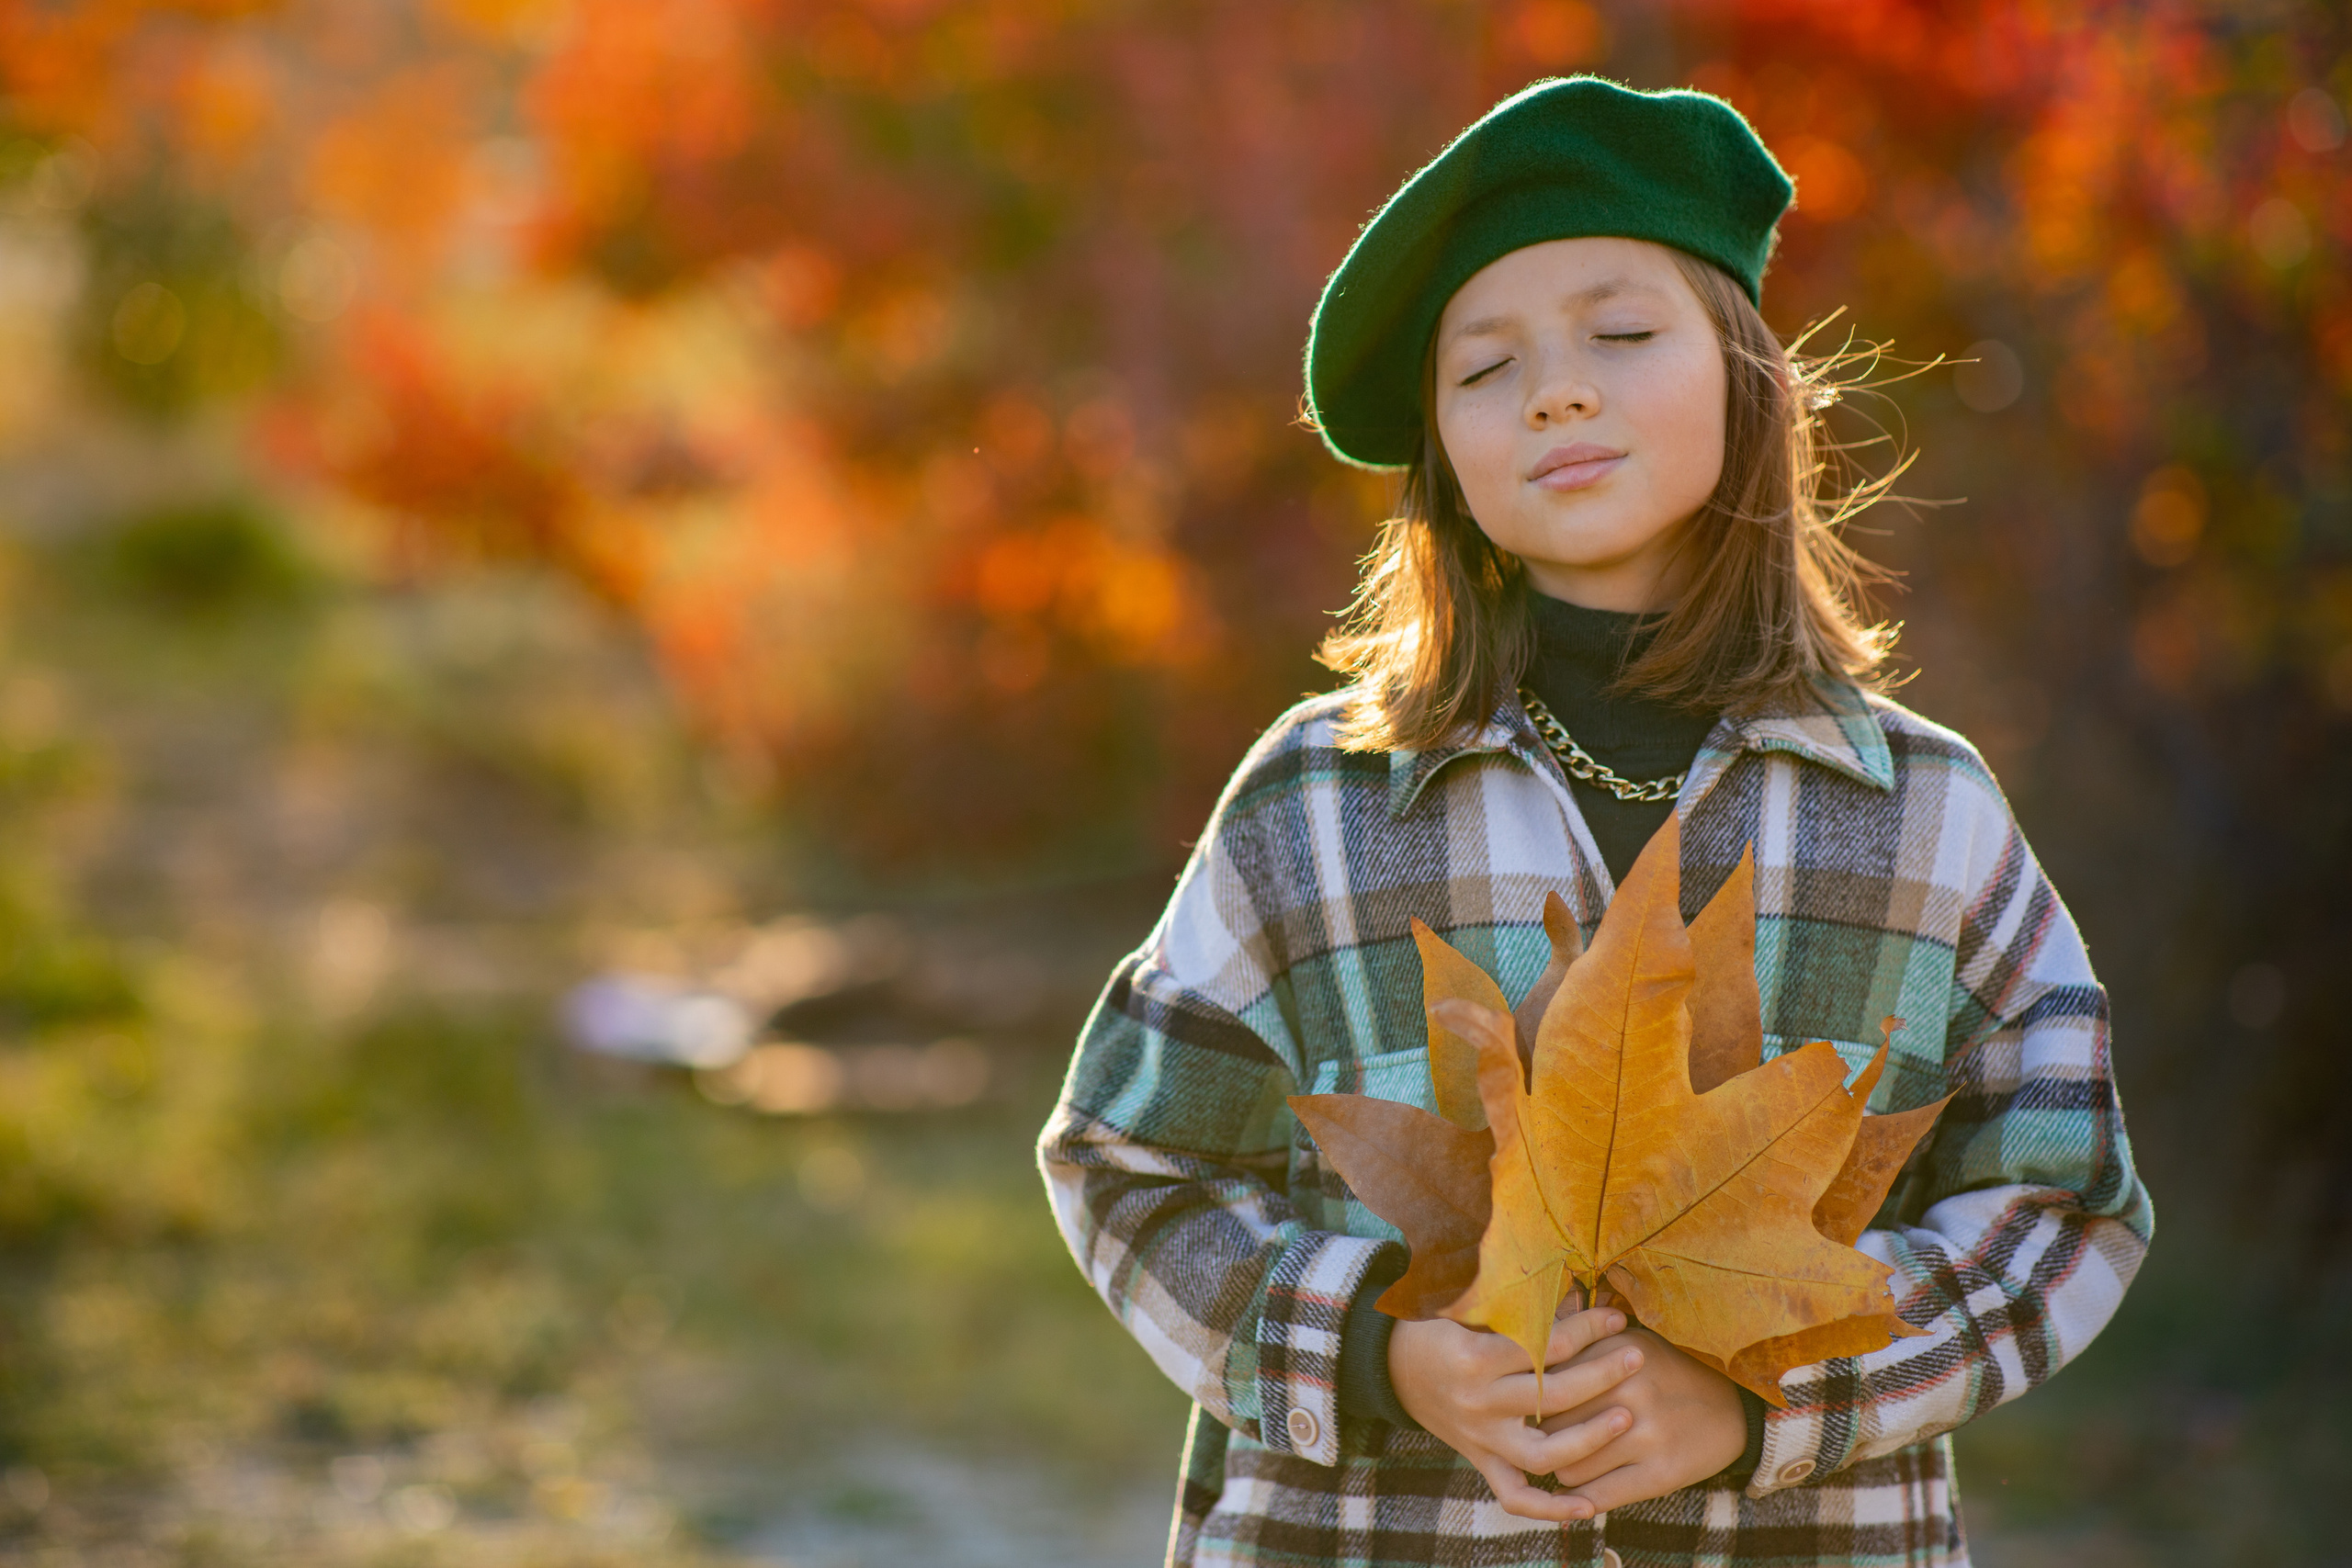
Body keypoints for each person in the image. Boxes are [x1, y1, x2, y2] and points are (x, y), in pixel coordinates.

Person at [1037, 76, 2151, 1568]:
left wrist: (1768, 1399)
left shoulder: (1924, 814)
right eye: (1485, 368)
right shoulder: (1319, 805)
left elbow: (2065, 1196)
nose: (1557, 390)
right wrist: (1382, 1354)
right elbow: (1126, 1161)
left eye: (1621, 335)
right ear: (1441, 452)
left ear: (1747, 376)